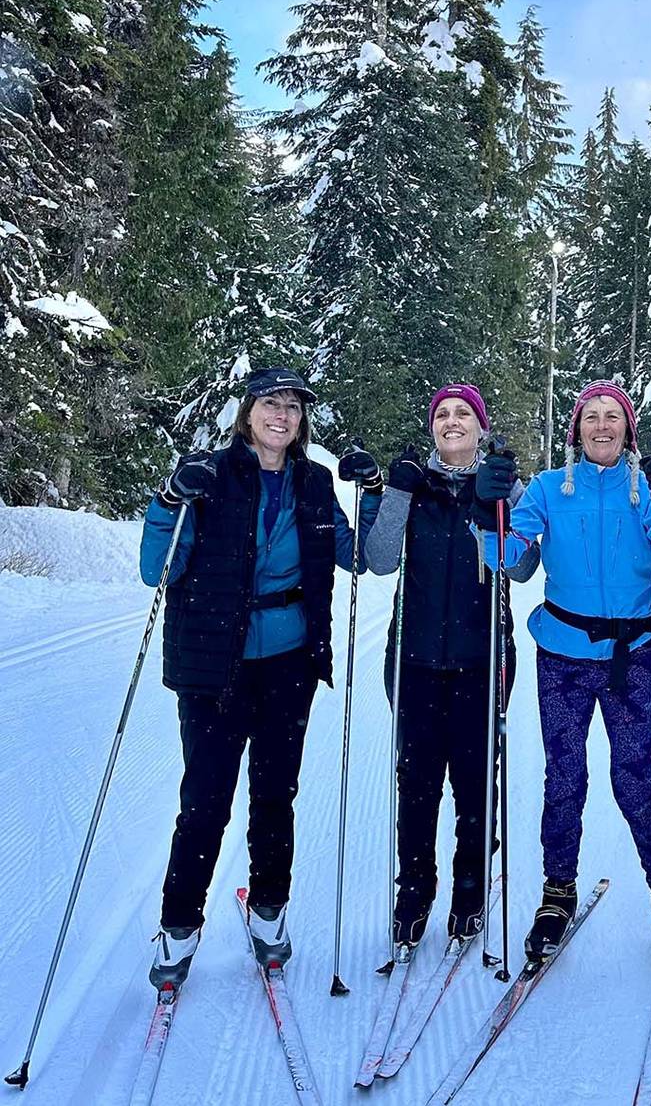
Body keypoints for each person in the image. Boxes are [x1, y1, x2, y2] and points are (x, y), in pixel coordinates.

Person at [140, 367, 381, 987]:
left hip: (290, 662)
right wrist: (168, 499)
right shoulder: (210, 476)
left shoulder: (313, 481)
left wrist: (373, 490)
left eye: (294, 408)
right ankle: (179, 924)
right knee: (206, 800)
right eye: (271, 403)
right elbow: (155, 569)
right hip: (215, 664)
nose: (283, 416)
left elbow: (354, 555)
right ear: (248, 412)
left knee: (276, 795)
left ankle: (269, 910)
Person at [475, 381, 651, 960]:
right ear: (576, 430)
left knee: (633, 777)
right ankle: (557, 890)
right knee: (565, 776)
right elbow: (503, 555)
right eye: (591, 417)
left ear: (628, 429)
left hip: (633, 658)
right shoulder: (549, 489)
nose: (602, 426)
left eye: (613, 417)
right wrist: (485, 509)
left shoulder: (645, 489)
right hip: (565, 657)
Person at [363, 384, 539, 949]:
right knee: (415, 783)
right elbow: (380, 559)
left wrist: (503, 498)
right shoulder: (416, 486)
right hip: (413, 660)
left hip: (481, 660)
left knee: (472, 783)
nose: (453, 421)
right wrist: (395, 493)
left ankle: (469, 888)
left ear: (481, 426)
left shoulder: (502, 486)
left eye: (464, 413)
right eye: (443, 413)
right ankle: (414, 890)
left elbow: (527, 563)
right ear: (433, 426)